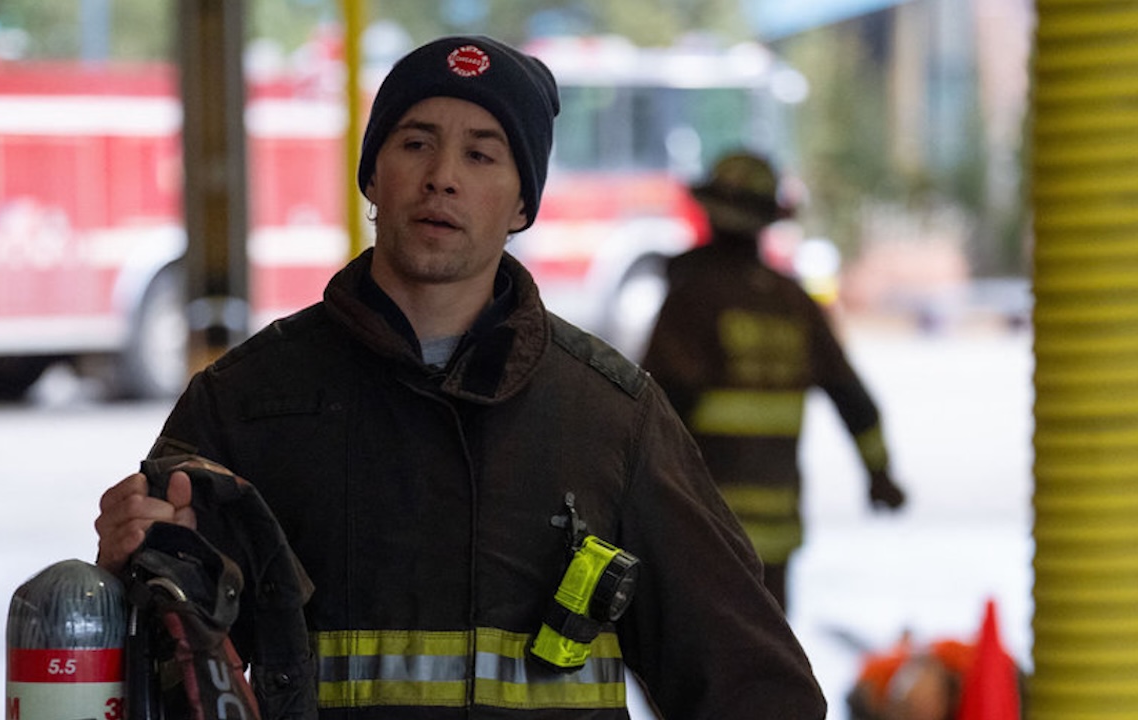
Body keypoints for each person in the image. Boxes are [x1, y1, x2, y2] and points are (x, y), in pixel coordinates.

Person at [95, 36, 827, 718]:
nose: (442, 177)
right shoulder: (245, 406)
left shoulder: (610, 421)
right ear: (373, 176)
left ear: (520, 203)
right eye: (416, 144)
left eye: (482, 155)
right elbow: (148, 678)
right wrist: (128, 568)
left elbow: (758, 692)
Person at [641, 150, 907, 613]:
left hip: (703, 531)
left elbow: (654, 411)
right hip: (775, 541)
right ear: (767, 221)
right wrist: (880, 475)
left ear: (711, 214)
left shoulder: (692, 300)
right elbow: (854, 400)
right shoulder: (795, 303)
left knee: (696, 676)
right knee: (766, 672)